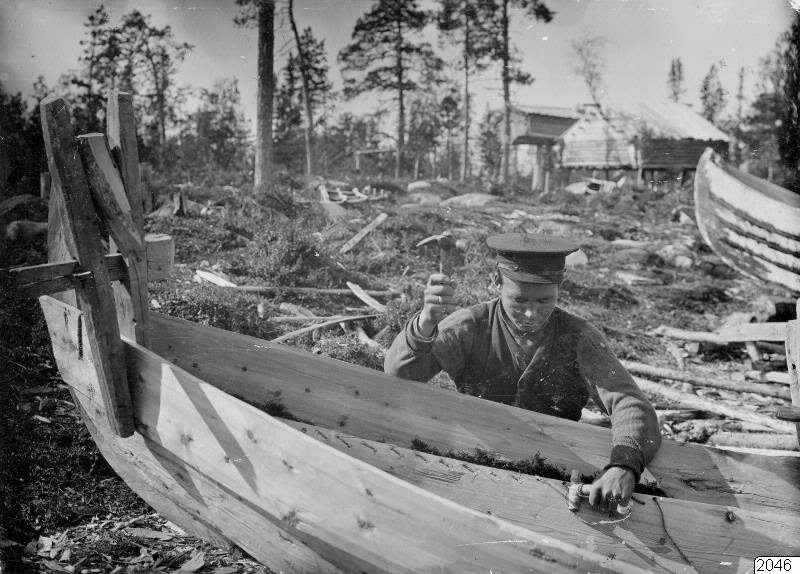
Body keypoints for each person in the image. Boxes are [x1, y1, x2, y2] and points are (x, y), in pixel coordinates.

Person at [384, 233, 661, 510]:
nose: (531, 313)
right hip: (470, 464)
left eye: (543, 301)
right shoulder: (470, 326)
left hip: (553, 476)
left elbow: (630, 402)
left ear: (558, 288)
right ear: (497, 283)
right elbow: (399, 377)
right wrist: (424, 325)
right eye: (519, 300)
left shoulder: (578, 338)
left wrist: (624, 464)